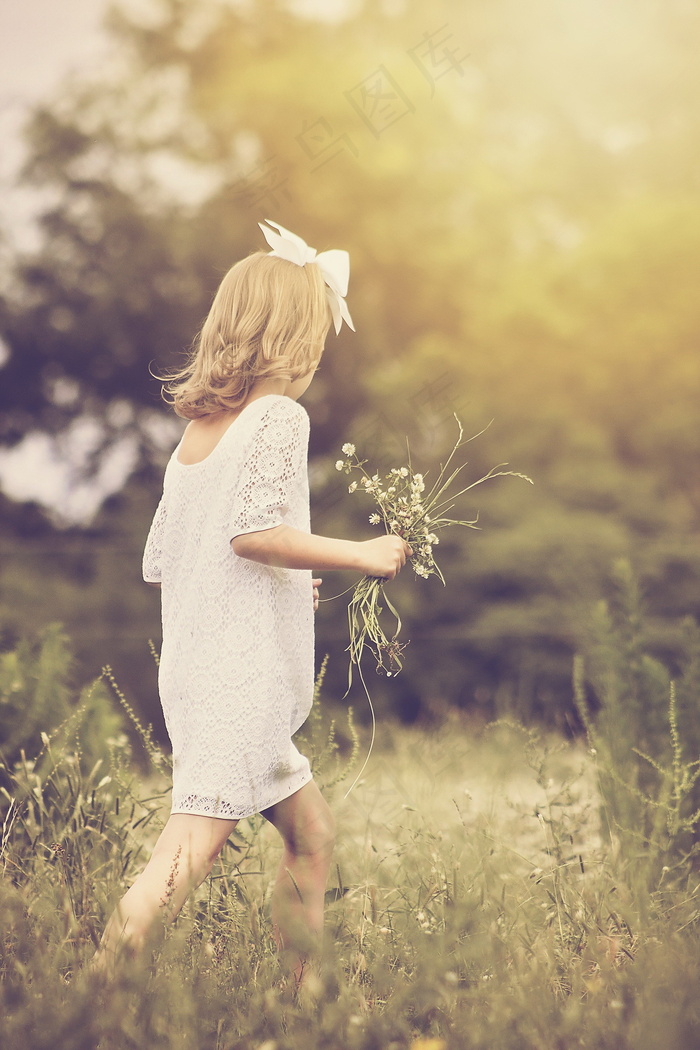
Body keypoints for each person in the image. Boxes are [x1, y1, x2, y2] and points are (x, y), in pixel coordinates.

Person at [93, 220, 411, 985]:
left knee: (312, 835)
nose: (316, 359)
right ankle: (86, 1004)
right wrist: (359, 554)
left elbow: (164, 560)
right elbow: (251, 534)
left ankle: (297, 1009)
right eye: (317, 338)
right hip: (241, 682)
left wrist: (284, 576)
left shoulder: (199, 434)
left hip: (202, 675)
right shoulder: (277, 417)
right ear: (292, 339)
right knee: (188, 852)